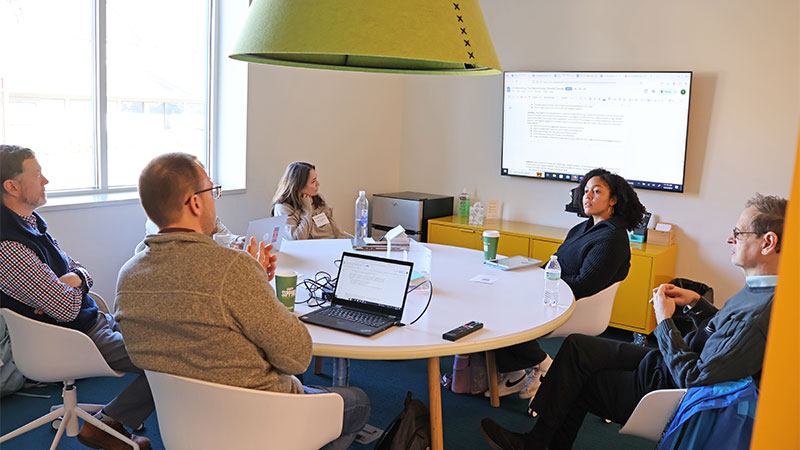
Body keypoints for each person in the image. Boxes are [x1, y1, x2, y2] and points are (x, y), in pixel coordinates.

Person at [480, 193, 786, 450]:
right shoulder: (761, 290)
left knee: (577, 382)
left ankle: (534, 444)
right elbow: (725, 331)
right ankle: (536, 440)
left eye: (740, 232)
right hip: (668, 359)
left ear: (768, 242)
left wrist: (664, 321)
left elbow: (693, 378)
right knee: (576, 347)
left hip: (669, 381)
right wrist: (696, 302)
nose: (730, 238)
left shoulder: (761, 312)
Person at [116, 153, 369, 450]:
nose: (214, 200)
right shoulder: (233, 268)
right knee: (358, 402)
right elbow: (297, 357)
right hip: (263, 416)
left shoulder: (128, 276)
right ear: (195, 203)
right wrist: (254, 278)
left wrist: (253, 278)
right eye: (212, 192)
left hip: (184, 423)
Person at [0, 145, 153, 450]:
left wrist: (73, 280)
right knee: (169, 359)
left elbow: (80, 270)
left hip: (89, 323)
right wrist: (72, 283)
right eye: (38, 174)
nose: (46, 181)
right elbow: (67, 307)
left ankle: (116, 417)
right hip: (72, 338)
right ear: (12, 186)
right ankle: (109, 423)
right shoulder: (9, 245)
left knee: (163, 335)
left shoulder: (30, 224)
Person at [491, 168, 646, 401]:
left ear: (613, 200)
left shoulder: (612, 238)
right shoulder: (583, 228)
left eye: (596, 191)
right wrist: (533, 276)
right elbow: (556, 262)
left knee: (503, 312)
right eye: (585, 191)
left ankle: (543, 364)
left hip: (573, 304)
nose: (588, 196)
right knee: (494, 298)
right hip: (555, 293)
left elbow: (585, 284)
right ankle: (515, 373)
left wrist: (542, 284)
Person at [272, 162, 349, 240]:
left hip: (331, 246)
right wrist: (307, 212)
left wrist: (345, 242)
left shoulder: (318, 197)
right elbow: (296, 239)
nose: (318, 184)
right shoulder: (283, 208)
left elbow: (334, 227)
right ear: (297, 186)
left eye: (316, 179)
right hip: (309, 250)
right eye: (313, 182)